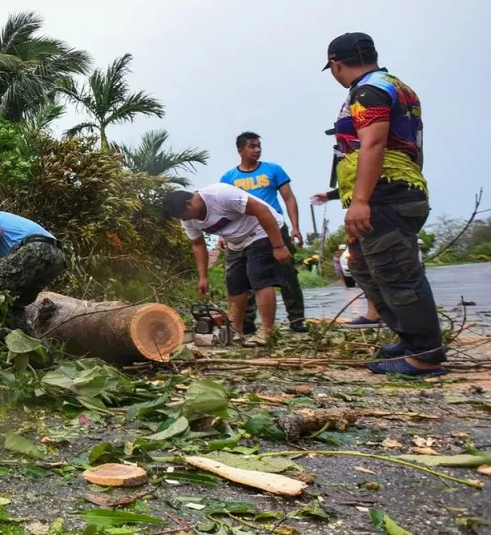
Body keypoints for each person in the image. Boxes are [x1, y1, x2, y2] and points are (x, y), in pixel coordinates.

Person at [322, 32, 445, 375]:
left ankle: (424, 354)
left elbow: (373, 145)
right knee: (362, 265)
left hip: (384, 193)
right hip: (399, 188)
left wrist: (361, 200)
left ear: (336, 63)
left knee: (397, 272)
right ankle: (410, 337)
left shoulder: (369, 90)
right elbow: (414, 144)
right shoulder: (398, 87)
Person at [162, 184, 292, 343]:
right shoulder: (188, 219)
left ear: (189, 203)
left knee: (260, 278)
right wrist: (203, 277)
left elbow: (261, 210)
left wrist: (278, 246)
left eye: (185, 215)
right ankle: (235, 331)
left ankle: (268, 332)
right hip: (236, 242)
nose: (186, 220)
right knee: (234, 283)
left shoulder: (220, 195)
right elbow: (198, 244)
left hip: (262, 231)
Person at [220, 132, 307, 332]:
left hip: (275, 228)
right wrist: (223, 235)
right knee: (249, 277)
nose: (257, 149)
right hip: (247, 233)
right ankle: (248, 321)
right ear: (240, 150)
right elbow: (225, 208)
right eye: (252, 146)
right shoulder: (229, 178)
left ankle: (296, 319)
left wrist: (295, 226)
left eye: (258, 145)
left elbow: (289, 198)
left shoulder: (273, 170)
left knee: (287, 273)